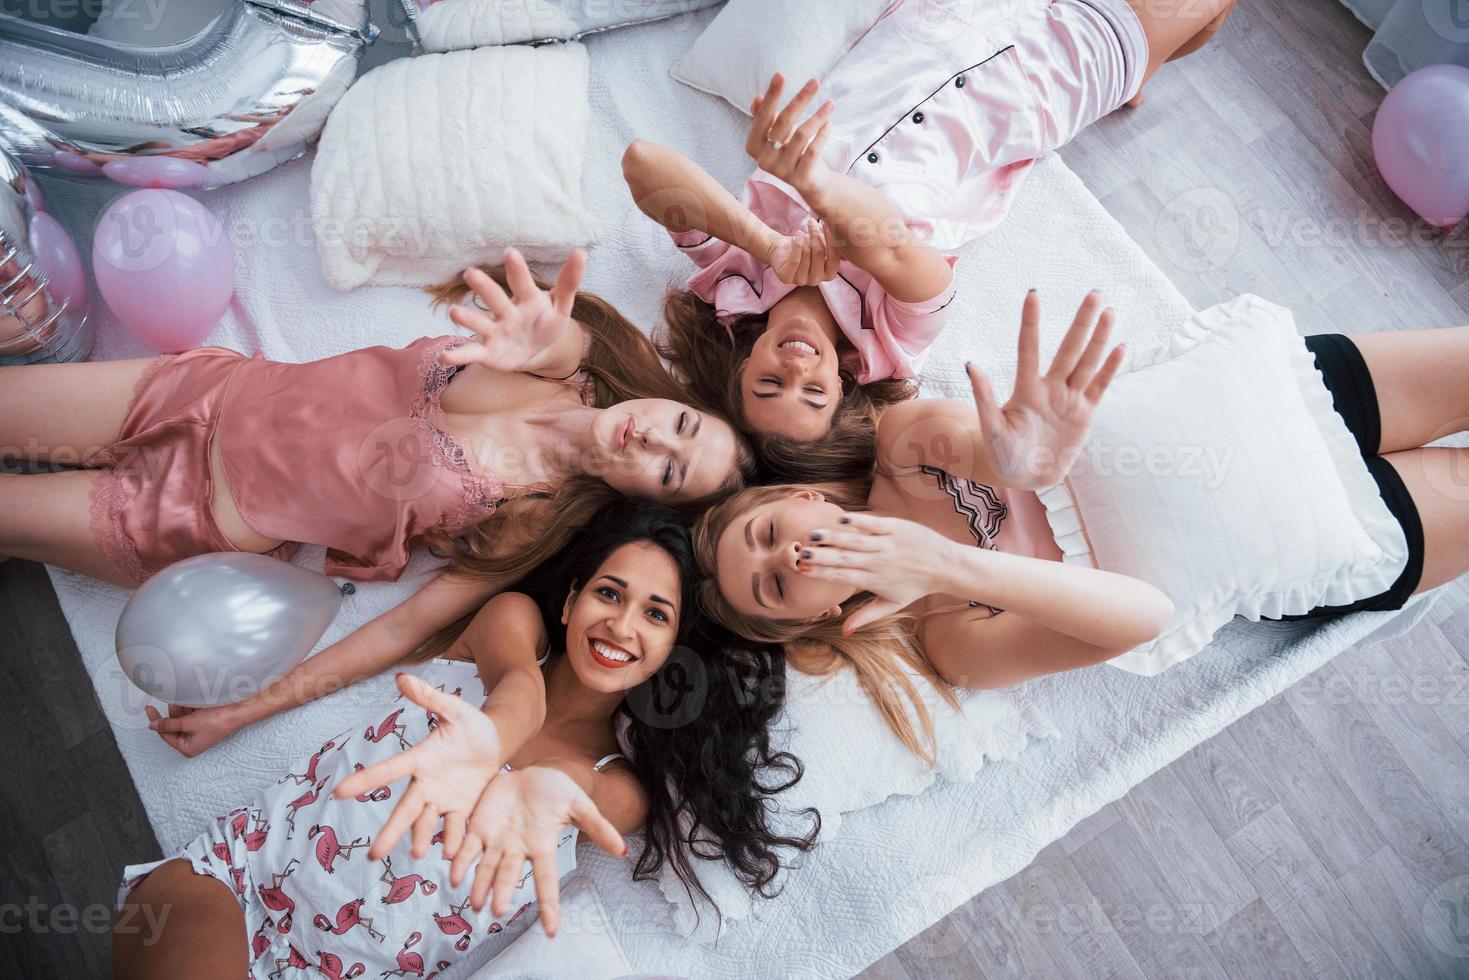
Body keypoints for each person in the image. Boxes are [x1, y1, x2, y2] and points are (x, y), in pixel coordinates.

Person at [694, 291, 1469, 758]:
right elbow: (1144, 616)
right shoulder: (954, 644)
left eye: (764, 536)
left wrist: (1019, 465)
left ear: (804, 502)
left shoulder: (902, 447)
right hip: (1318, 537)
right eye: (770, 587)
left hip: (1273, 404)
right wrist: (940, 566)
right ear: (814, 617)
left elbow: (991, 451)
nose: (787, 556)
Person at [114, 501, 816, 977]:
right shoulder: (509, 622)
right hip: (235, 885)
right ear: (570, 601)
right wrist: (497, 735)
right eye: (609, 593)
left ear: (668, 650)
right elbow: (518, 685)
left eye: (655, 615)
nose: (621, 624)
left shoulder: (618, 788)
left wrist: (538, 785)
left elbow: (579, 793)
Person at [625, 0, 1236, 477]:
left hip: (941, 25)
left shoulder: (733, 280)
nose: (794, 366)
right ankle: (1134, 71)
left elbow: (643, 163)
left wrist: (770, 247)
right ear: (843, 386)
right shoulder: (892, 342)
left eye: (769, 382)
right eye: (812, 392)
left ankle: (1138, 72)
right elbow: (886, 243)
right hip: (1043, 81)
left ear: (744, 361)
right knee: (1209, 12)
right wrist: (811, 183)